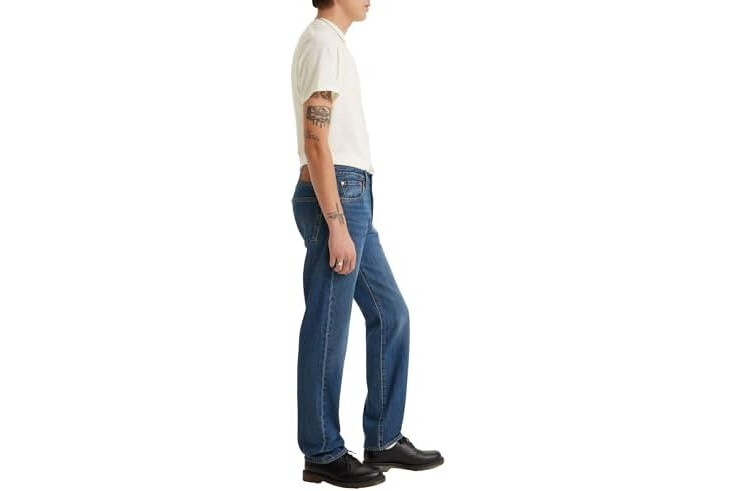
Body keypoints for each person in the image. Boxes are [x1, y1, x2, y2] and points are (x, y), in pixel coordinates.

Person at [290, 0, 444, 487]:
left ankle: (383, 437)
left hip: (352, 195)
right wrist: (336, 223)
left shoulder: (332, 44)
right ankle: (322, 451)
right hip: (336, 197)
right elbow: (316, 140)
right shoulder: (322, 42)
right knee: (328, 326)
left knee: (391, 313)